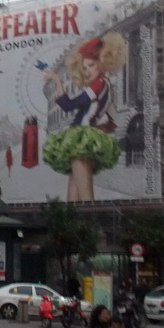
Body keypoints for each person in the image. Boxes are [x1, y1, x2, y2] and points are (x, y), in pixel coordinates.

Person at [42, 32, 127, 201]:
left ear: (102, 63)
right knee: (74, 197)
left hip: (81, 139)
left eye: (90, 65)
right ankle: (73, 226)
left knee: (85, 196)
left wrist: (57, 81)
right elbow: (114, 120)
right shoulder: (108, 87)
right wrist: (99, 129)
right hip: (87, 138)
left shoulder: (98, 85)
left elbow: (68, 105)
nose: (87, 71)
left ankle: (88, 225)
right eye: (85, 68)